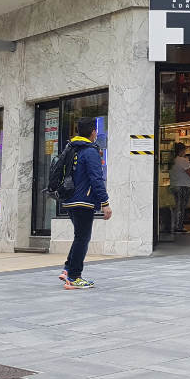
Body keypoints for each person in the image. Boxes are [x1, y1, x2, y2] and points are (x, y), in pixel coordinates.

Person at [59, 118, 112, 289]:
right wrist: (105, 202)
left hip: (70, 200)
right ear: (93, 132)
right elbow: (96, 178)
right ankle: (74, 276)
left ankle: (68, 269)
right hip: (83, 201)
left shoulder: (72, 148)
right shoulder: (90, 151)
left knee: (79, 237)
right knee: (83, 238)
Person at [169, 142, 190, 234]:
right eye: (184, 150)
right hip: (183, 186)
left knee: (176, 207)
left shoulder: (171, 160)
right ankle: (179, 227)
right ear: (181, 150)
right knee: (181, 207)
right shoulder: (183, 160)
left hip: (174, 186)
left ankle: (174, 226)